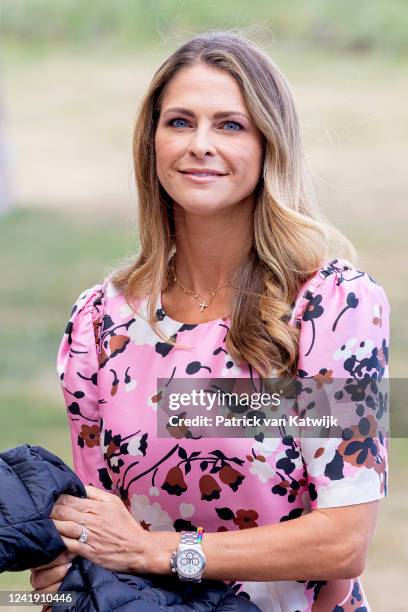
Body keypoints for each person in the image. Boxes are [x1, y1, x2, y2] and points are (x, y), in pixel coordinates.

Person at [30, 31, 390, 611]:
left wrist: (159, 552)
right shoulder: (101, 322)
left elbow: (343, 542)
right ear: (150, 144)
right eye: (179, 122)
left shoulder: (329, 307)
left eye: (229, 125)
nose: (200, 144)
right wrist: (63, 579)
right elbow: (99, 528)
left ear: (269, 145)